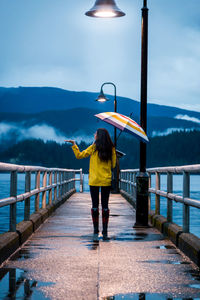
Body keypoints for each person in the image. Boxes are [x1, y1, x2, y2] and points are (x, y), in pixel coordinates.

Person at [65, 128, 116, 240]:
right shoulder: (111, 148)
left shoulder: (93, 147)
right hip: (106, 180)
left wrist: (74, 145)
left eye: (95, 133)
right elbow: (113, 166)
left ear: (98, 136)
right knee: (105, 206)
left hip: (94, 181)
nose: (94, 135)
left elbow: (79, 155)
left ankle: (95, 230)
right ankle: (105, 231)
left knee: (94, 205)